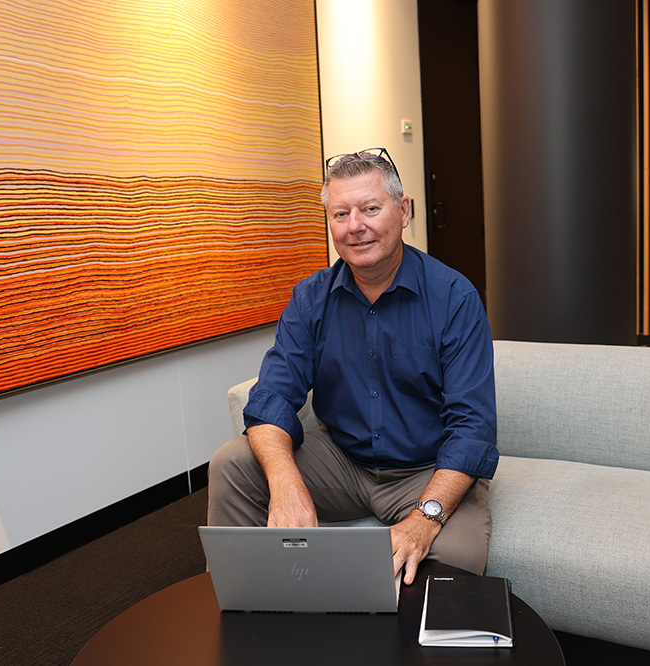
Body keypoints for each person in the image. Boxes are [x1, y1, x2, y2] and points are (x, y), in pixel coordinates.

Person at [207, 147, 498, 586]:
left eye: (370, 208)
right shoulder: (310, 298)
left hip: (426, 468)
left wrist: (426, 518)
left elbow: (472, 429)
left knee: (453, 556)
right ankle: (251, 612)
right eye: (340, 214)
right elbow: (270, 398)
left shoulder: (454, 298)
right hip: (342, 462)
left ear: (403, 211)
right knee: (232, 463)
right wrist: (286, 483)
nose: (355, 226)